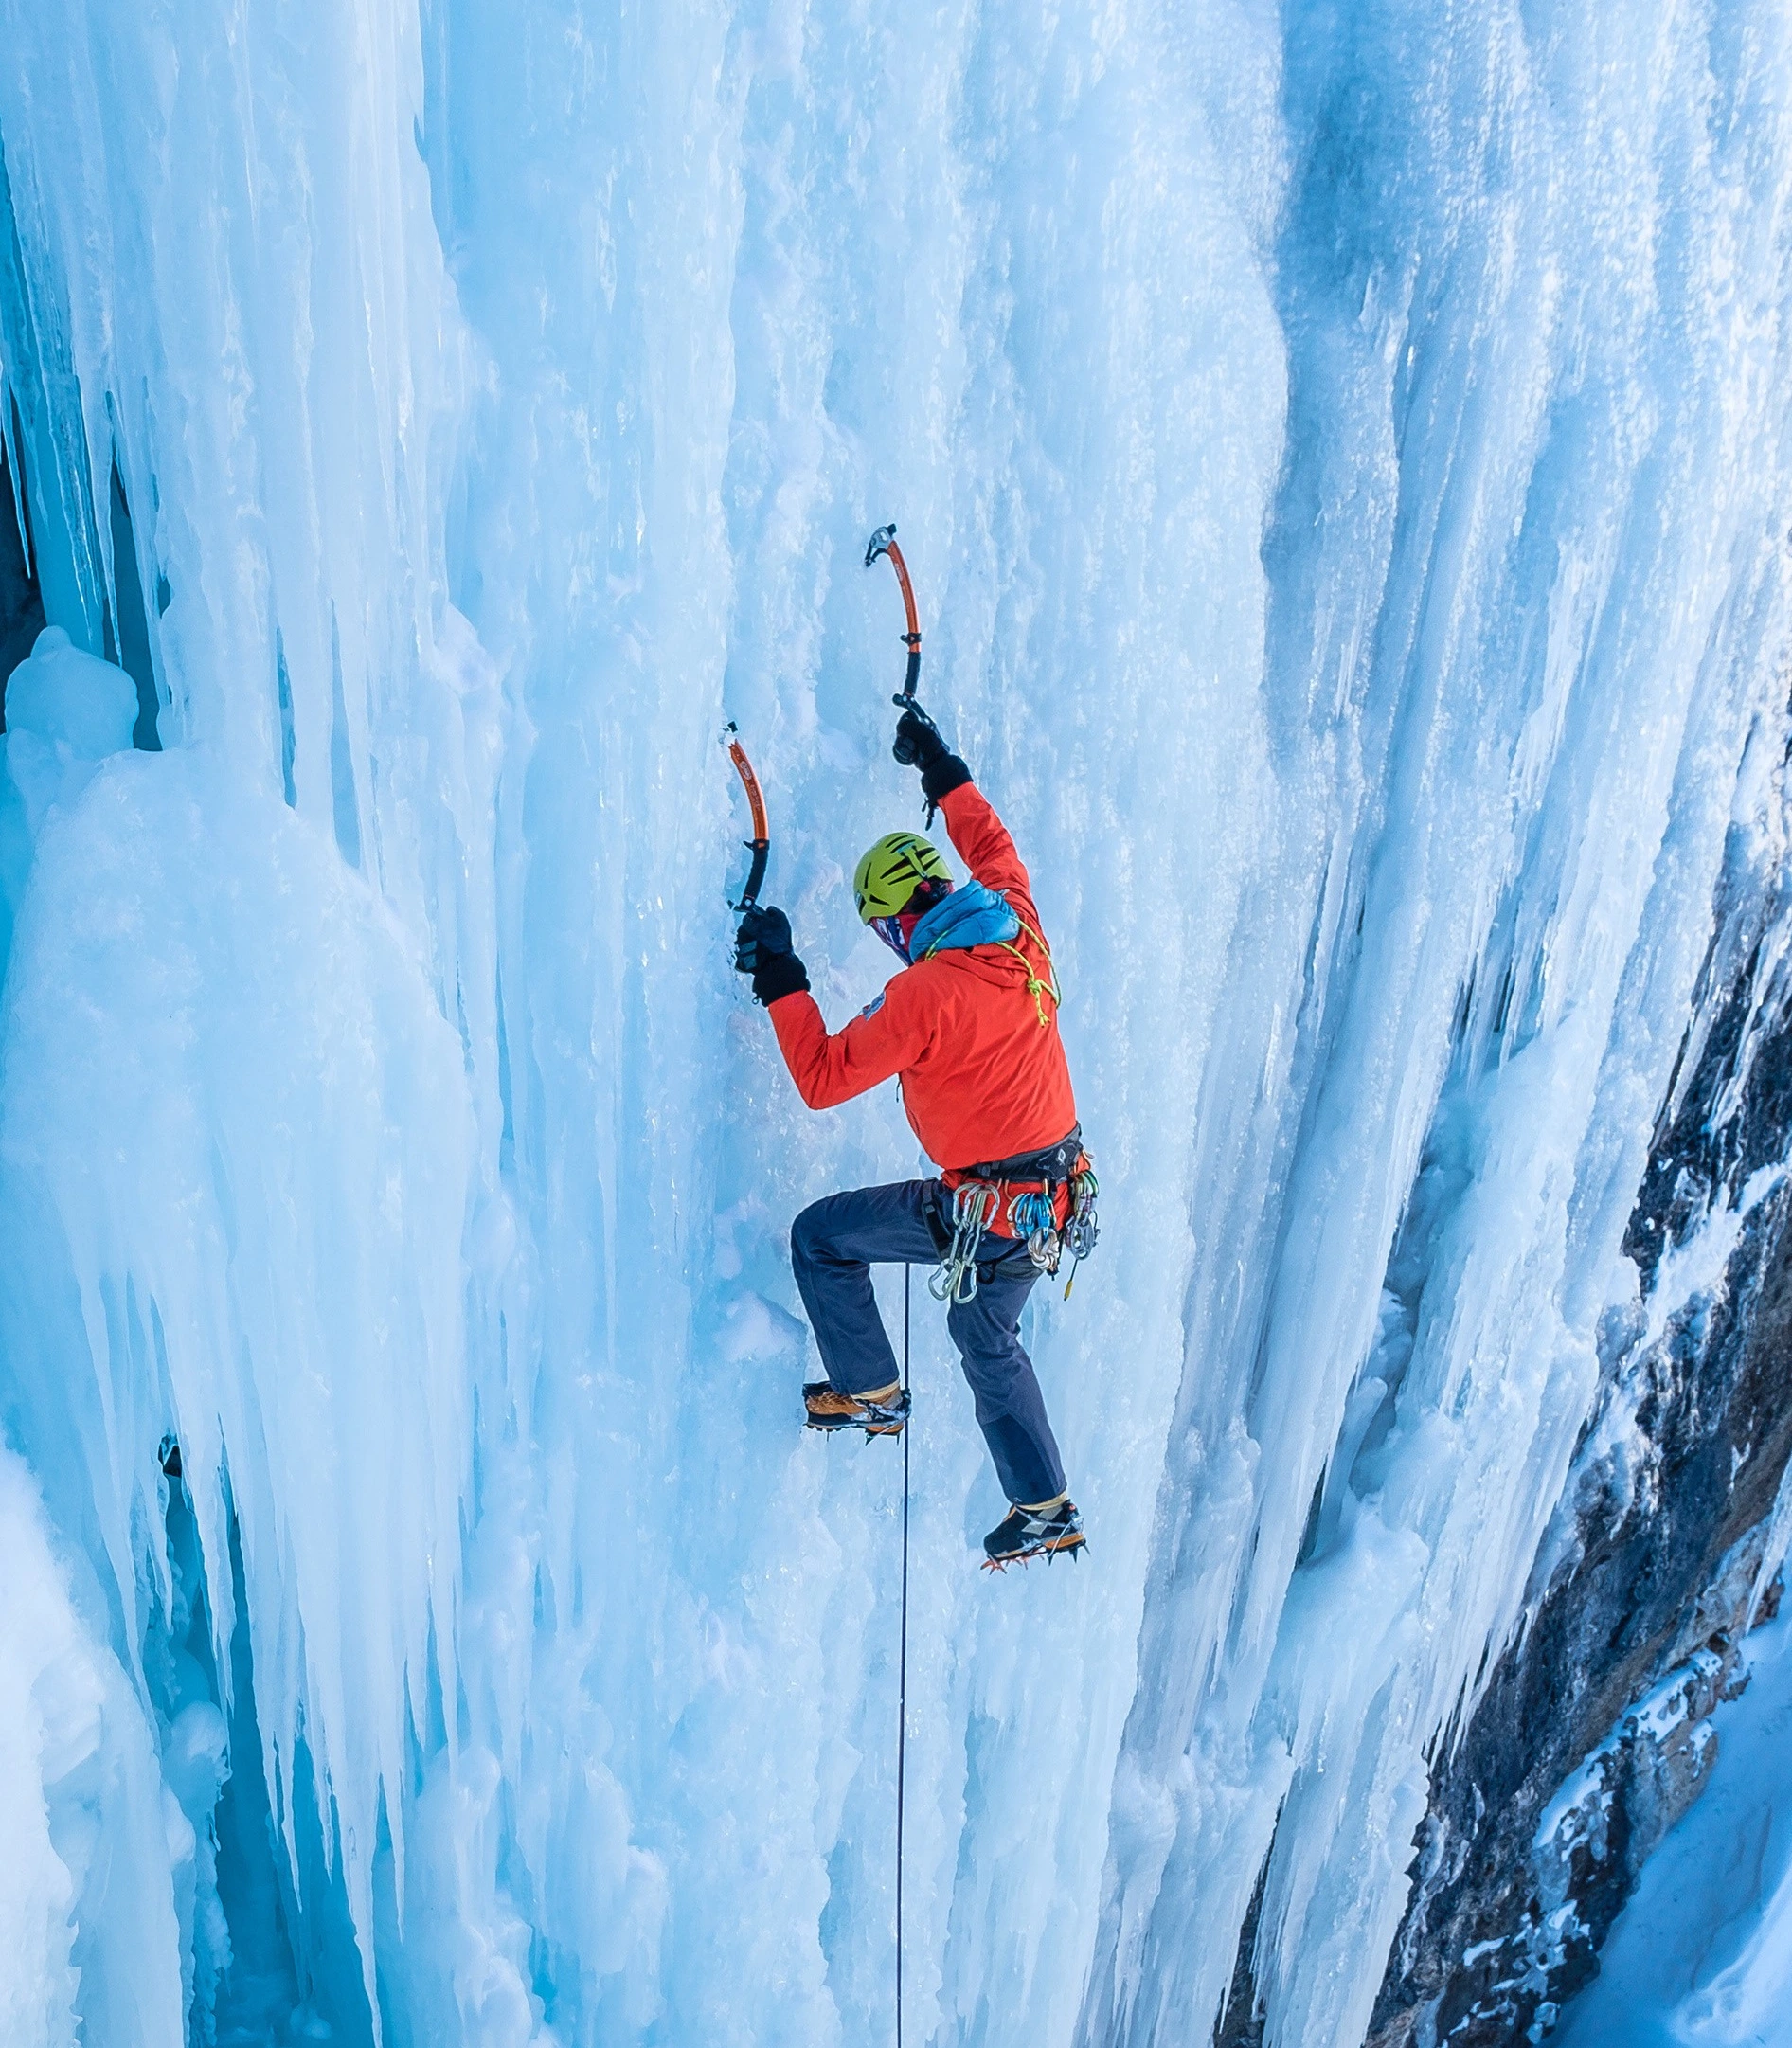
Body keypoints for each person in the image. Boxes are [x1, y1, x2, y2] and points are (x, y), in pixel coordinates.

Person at [734, 699, 1087, 1567]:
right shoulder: (1018, 931)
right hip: (1048, 1202)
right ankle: (1044, 1506)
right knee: (983, 1336)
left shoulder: (926, 995)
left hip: (986, 1210)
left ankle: (870, 1393)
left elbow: (820, 1078)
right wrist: (942, 767)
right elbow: (995, 850)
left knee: (822, 1239)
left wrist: (781, 973)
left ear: (897, 924)